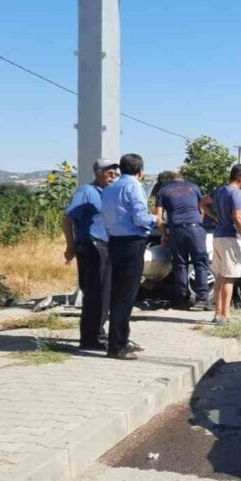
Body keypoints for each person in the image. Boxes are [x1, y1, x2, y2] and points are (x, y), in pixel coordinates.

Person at [101, 153, 157, 360]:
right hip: (132, 243)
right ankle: (118, 345)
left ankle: (118, 340)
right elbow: (140, 218)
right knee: (126, 295)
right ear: (140, 171)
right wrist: (156, 218)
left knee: (118, 293)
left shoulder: (110, 188)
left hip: (114, 241)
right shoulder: (134, 186)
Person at [62, 158, 118, 351]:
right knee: (94, 293)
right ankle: (90, 338)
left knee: (105, 293)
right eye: (109, 172)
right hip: (91, 248)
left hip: (107, 247)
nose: (113, 176)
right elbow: (67, 220)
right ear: (98, 173)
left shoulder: (110, 193)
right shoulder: (86, 192)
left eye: (115, 173)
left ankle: (98, 333)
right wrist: (71, 246)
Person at [156, 172, 210, 311]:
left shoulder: (163, 191)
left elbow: (159, 217)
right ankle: (202, 300)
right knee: (201, 264)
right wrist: (198, 224)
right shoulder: (194, 187)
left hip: (176, 230)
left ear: (171, 180)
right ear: (183, 178)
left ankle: (181, 301)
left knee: (180, 265)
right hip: (194, 228)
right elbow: (202, 209)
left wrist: (164, 235)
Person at [206, 164, 241, 323]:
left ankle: (217, 314)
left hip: (218, 235)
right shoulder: (237, 193)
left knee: (220, 276)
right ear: (240, 177)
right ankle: (225, 315)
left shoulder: (219, 191)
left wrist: (215, 217)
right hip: (231, 237)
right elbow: (238, 217)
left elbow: (202, 203)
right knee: (229, 277)